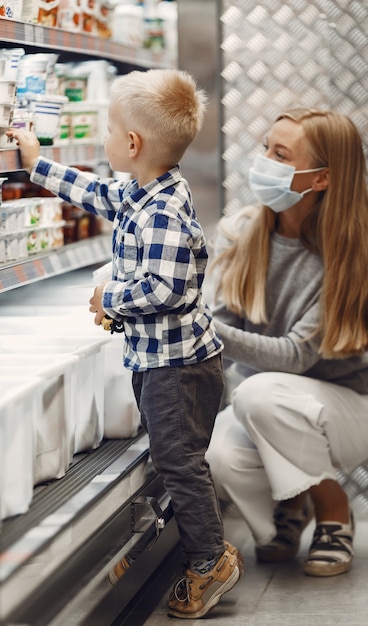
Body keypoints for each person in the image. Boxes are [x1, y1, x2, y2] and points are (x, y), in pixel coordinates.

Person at [9, 68, 241, 619]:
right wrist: (37, 164)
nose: (107, 138)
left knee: (178, 460)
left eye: (110, 130)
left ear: (131, 144)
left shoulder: (162, 209)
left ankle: (210, 560)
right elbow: (97, 192)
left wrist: (111, 299)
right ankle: (210, 553)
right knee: (178, 456)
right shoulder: (144, 189)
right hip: (167, 358)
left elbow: (168, 287)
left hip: (177, 365)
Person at [206, 107, 368, 578]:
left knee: (258, 392)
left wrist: (199, 328)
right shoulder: (242, 232)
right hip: (269, 408)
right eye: (265, 147)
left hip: (345, 409)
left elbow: (295, 356)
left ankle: (331, 508)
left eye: (281, 154)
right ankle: (287, 507)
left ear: (321, 179)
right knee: (217, 455)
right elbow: (220, 321)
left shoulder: (353, 253)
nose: (264, 161)